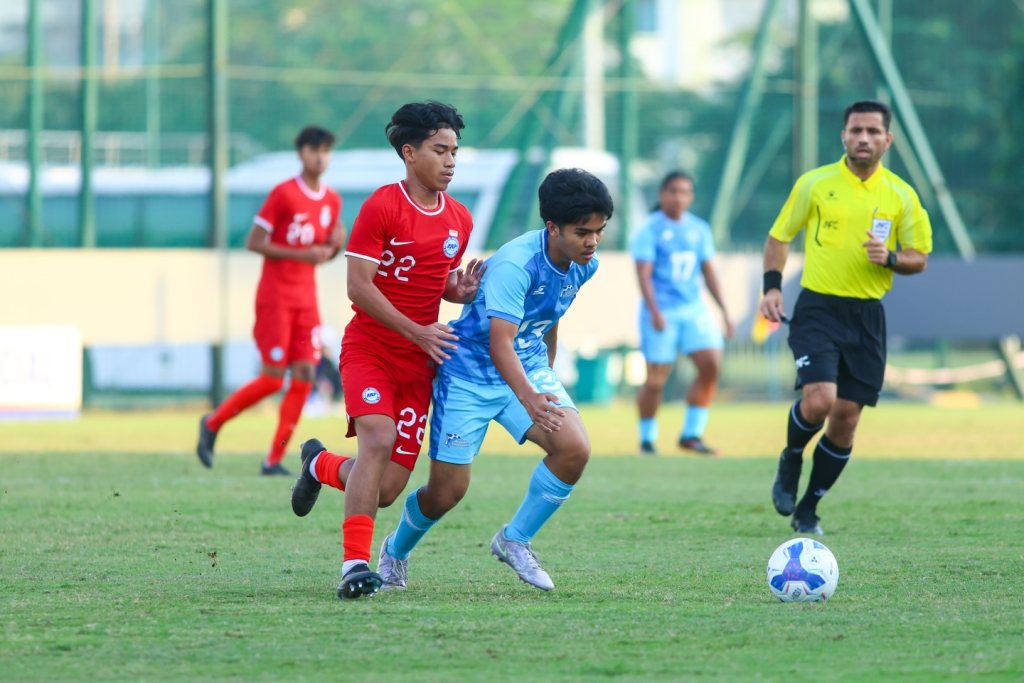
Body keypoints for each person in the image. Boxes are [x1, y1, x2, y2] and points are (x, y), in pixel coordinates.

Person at [372, 168, 613, 593]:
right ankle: (395, 550)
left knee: (574, 449)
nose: (592, 241)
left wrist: (546, 373)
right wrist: (531, 397)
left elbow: (549, 314)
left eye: (599, 230)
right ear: (552, 227)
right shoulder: (515, 265)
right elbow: (500, 344)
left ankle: (515, 539)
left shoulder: (583, 265)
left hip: (526, 367)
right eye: (583, 232)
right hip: (469, 375)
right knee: (446, 493)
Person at [288, 101, 483, 599]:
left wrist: (457, 291)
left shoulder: (459, 219)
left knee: (387, 489)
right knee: (376, 440)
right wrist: (418, 331)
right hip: (370, 349)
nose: (450, 161)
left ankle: (318, 465)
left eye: (454, 151)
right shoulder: (382, 206)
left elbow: (435, 281)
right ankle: (354, 566)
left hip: (418, 364)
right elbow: (359, 286)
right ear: (409, 153)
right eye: (439, 150)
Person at [760, 99, 932, 535]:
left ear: (887, 140)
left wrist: (890, 257)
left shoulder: (901, 195)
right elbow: (779, 237)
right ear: (843, 136)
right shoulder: (815, 184)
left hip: (867, 317)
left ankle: (808, 508)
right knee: (820, 400)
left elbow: (919, 257)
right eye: (856, 130)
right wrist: (772, 288)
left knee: (846, 418)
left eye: (873, 131)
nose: (863, 138)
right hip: (818, 307)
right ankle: (791, 458)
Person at [196, 125, 345, 475]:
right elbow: (254, 241)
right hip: (276, 297)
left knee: (306, 373)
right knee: (273, 378)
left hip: (307, 299)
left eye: (325, 150)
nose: (320, 157)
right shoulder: (283, 193)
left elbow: (321, 253)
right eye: (313, 149)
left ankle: (273, 459)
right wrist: (302, 254)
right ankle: (213, 422)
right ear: (301, 153)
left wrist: (336, 246)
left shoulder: (332, 200)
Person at [630, 172, 734, 456]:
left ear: (691, 197)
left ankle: (691, 435)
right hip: (662, 311)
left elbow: (709, 273)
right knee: (656, 380)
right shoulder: (649, 229)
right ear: (662, 194)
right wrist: (654, 311)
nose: (679, 197)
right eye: (673, 191)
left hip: (693, 310)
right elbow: (643, 275)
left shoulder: (699, 229)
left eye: (685, 192)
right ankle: (647, 440)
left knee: (711, 365)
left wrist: (725, 311)